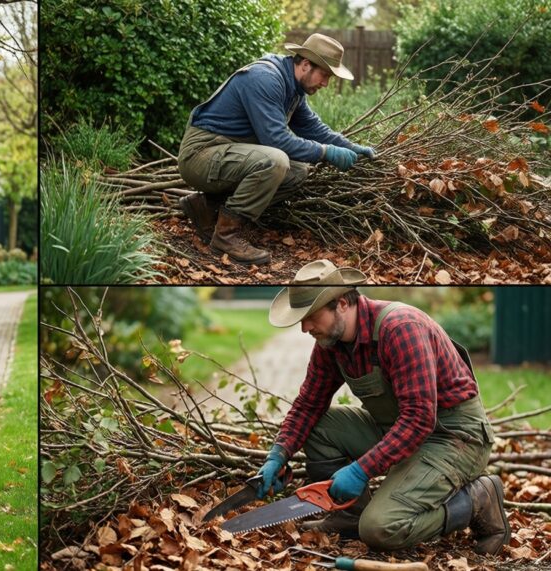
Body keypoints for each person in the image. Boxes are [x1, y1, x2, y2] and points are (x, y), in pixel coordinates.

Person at [255, 260, 509, 554]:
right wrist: (279, 453)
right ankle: (349, 515)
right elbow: (308, 404)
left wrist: (361, 470)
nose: (304, 328)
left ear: (341, 304)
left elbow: (419, 419)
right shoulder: (331, 343)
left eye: (311, 316)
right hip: (400, 430)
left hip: (453, 438)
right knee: (318, 426)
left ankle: (479, 498)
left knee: (380, 528)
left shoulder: (400, 329)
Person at [177, 34, 375, 266]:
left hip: (225, 154)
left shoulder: (293, 90)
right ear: (305, 65)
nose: (325, 84)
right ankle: (225, 237)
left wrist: (350, 147)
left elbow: (314, 128)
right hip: (201, 154)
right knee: (276, 160)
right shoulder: (265, 79)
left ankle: (206, 208)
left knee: (297, 170)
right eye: (325, 75)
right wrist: (326, 152)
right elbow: (277, 140)